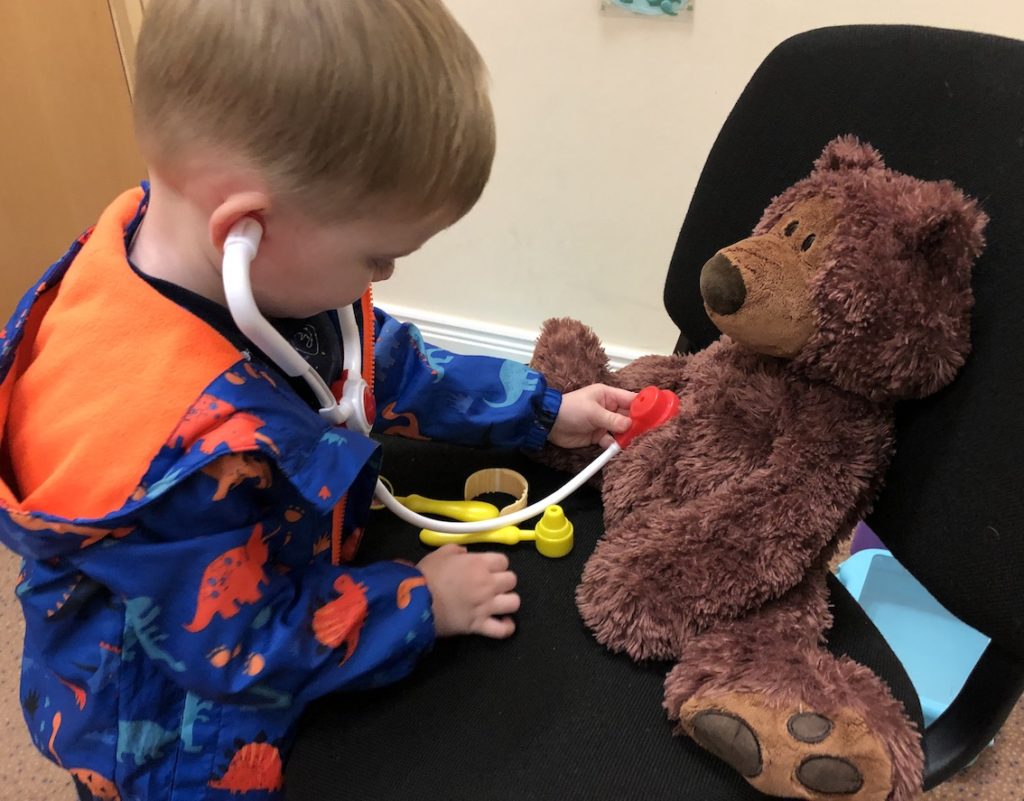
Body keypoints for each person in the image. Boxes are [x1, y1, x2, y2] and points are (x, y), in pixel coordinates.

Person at [0, 2, 635, 799]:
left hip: (268, 580)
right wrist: (420, 602)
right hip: (174, 736)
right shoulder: (183, 458)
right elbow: (246, 647)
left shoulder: (243, 272)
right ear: (247, 229)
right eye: (379, 256)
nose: (385, 280)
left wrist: (542, 409)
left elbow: (383, 362)